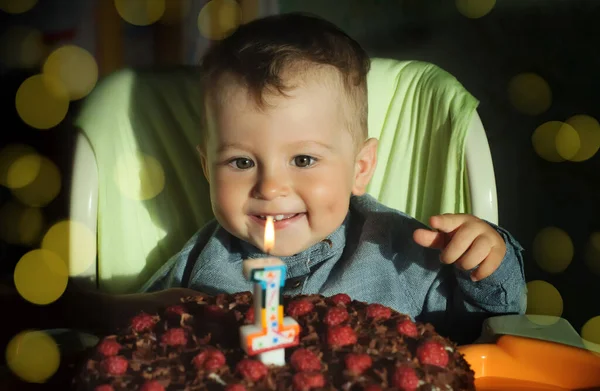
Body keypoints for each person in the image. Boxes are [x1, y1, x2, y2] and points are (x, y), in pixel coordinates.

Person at [5, 12, 525, 345]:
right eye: (241, 162)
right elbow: (112, 326)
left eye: (303, 160)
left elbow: (484, 332)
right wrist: (156, 311)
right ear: (206, 168)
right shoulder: (201, 262)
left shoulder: (402, 252)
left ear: (360, 168)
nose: (270, 188)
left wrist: (489, 264)